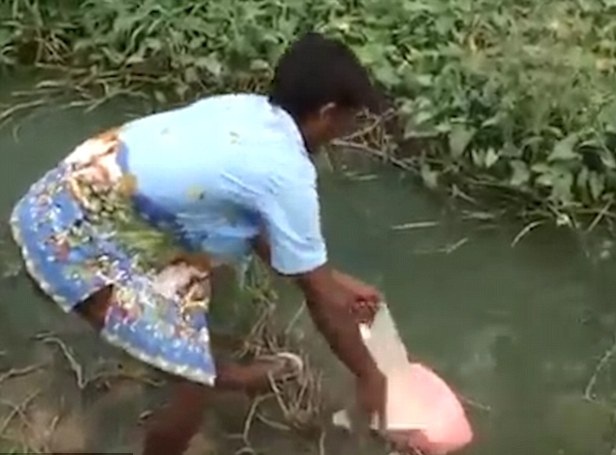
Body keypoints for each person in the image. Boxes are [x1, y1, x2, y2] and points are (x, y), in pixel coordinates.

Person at [9, 32, 386, 455]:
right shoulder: (286, 173)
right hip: (67, 237)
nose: (346, 131)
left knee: (214, 269)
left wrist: (334, 280)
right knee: (192, 389)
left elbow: (263, 236)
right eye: (348, 121)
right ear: (327, 113)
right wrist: (370, 376)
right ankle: (207, 394)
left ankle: (222, 370)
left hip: (56, 196)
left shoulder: (244, 110)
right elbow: (321, 303)